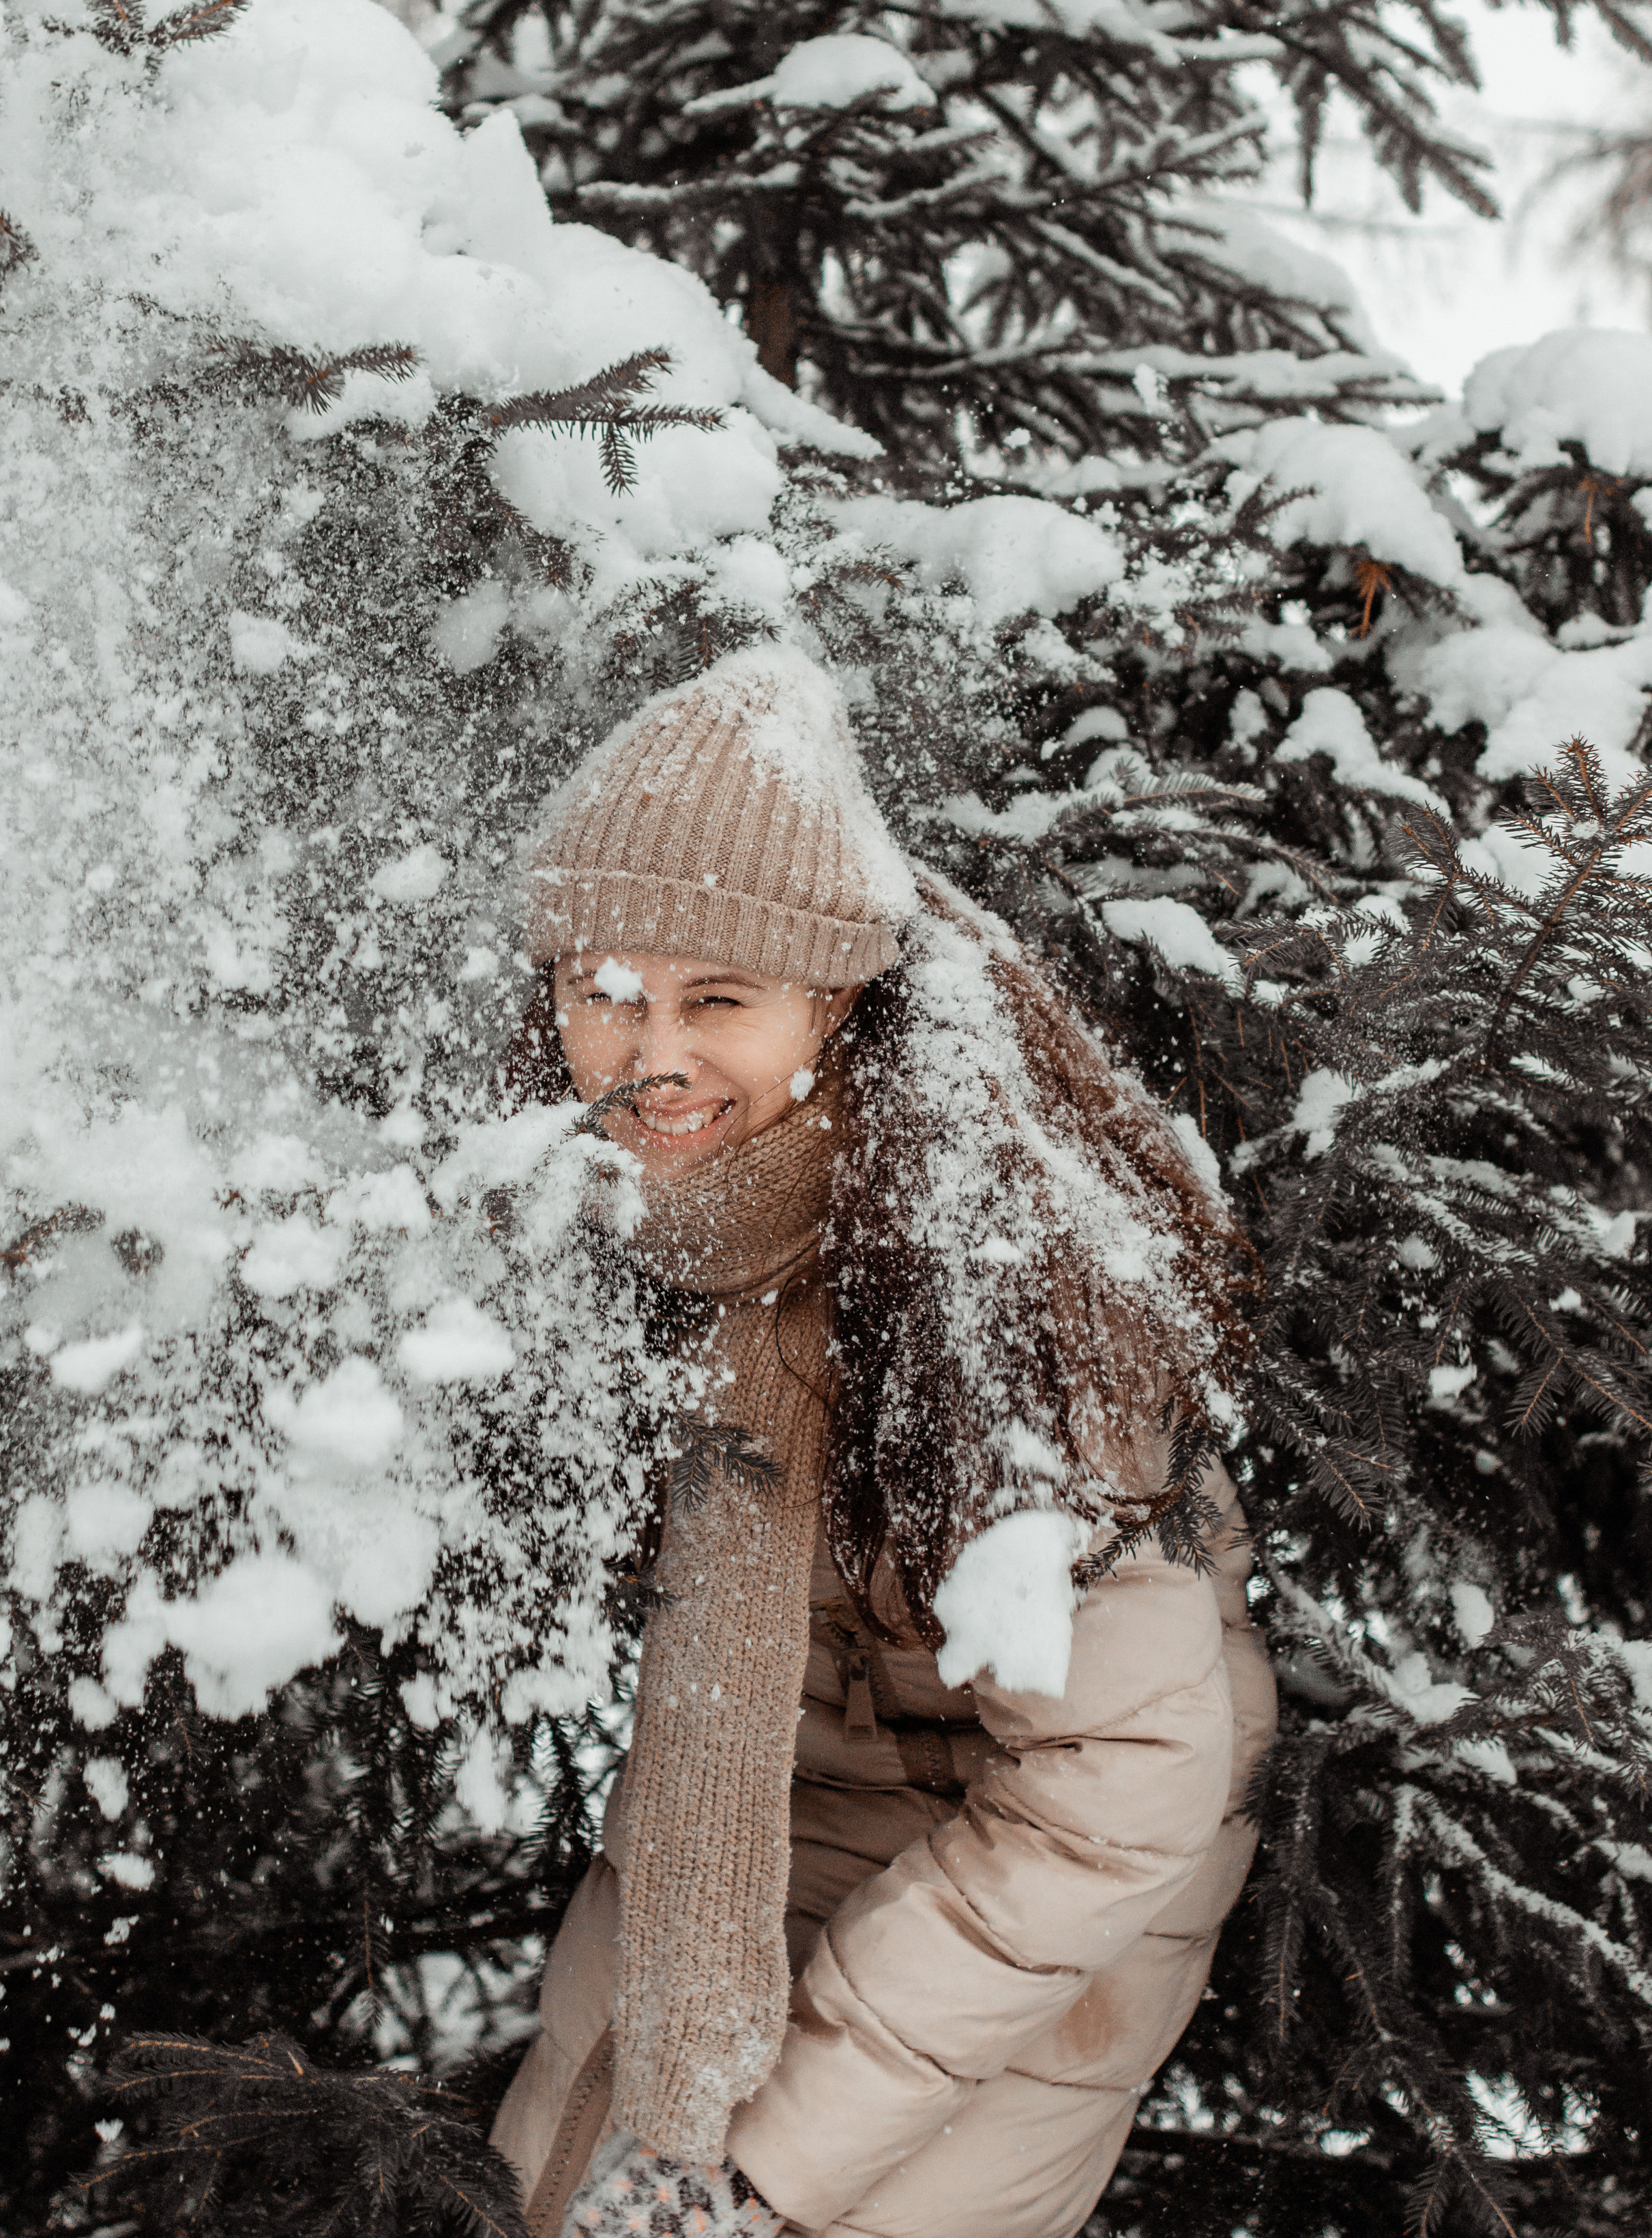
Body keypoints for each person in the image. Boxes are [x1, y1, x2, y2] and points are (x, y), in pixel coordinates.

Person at [491, 644, 1275, 2238]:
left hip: (993, 1977)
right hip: (709, 1870)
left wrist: (768, 2171)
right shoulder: (649, 1217)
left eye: (718, 997)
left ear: (837, 1001)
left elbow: (1119, 1785)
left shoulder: (985, 1298)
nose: (649, 1054)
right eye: (603, 990)